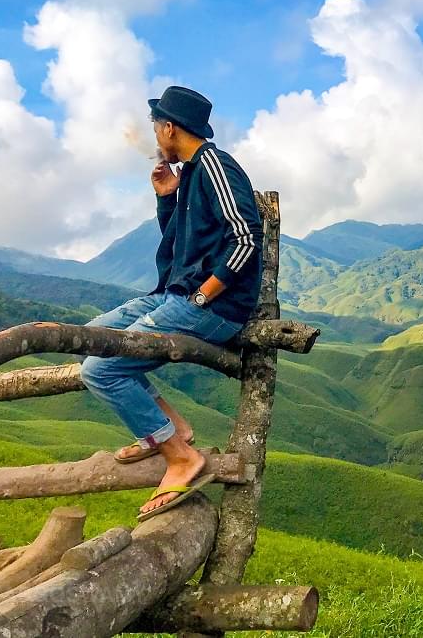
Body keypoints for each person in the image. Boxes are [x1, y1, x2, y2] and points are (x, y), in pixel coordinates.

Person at [80, 86, 263, 521]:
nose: (154, 138)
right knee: (91, 339)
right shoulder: (193, 173)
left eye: (156, 128)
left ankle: (181, 456)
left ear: (168, 128)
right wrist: (167, 199)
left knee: (101, 368)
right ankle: (170, 430)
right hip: (172, 294)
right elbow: (183, 248)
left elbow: (246, 238)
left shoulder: (215, 165)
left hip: (209, 307)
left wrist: (204, 295)